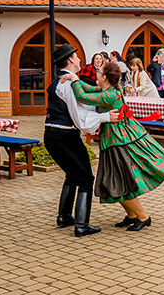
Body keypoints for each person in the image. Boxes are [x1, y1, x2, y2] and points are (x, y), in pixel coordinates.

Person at [61, 62, 164, 231]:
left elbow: (83, 97)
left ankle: (143, 217)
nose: (96, 73)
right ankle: (132, 215)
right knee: (116, 180)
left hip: (118, 141)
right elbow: (87, 89)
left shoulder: (110, 94)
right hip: (113, 139)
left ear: (104, 77)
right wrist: (74, 78)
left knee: (117, 181)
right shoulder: (109, 90)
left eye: (99, 72)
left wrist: (74, 80)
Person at [45, 44, 119, 237]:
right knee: (85, 177)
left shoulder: (60, 81)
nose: (79, 60)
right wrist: (105, 117)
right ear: (70, 60)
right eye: (77, 57)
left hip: (53, 134)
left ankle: (64, 216)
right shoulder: (68, 84)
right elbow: (79, 119)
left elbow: (80, 107)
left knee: (72, 173)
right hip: (64, 135)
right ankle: (81, 225)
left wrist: (99, 110)